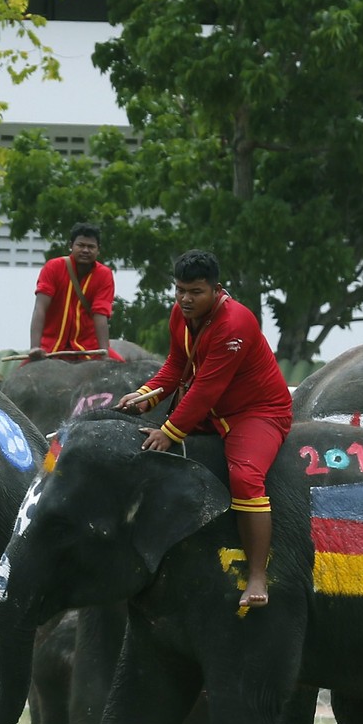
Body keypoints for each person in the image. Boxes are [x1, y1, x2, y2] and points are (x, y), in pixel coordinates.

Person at [117, 250, 292, 609]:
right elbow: (175, 367)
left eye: (195, 291)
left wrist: (169, 431)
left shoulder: (235, 324)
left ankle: (258, 575)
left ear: (217, 290)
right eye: (180, 290)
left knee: (245, 478)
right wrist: (144, 396)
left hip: (256, 413)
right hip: (212, 411)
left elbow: (206, 387)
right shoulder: (181, 316)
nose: (185, 298)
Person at [27, 223, 121, 362]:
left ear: (98, 250)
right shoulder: (53, 267)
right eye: (81, 245)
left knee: (122, 373)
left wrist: (104, 352)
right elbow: (40, 308)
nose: (85, 250)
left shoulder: (104, 275)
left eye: (91, 247)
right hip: (51, 345)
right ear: (71, 245)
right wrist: (35, 347)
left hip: (89, 347)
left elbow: (100, 314)